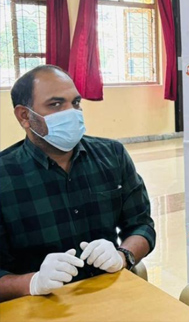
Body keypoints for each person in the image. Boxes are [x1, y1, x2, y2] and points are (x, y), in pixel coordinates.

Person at [0, 65, 155, 302]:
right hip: (36, 305)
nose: (71, 112)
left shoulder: (112, 155)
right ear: (24, 116)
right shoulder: (4, 175)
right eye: (55, 104)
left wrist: (122, 256)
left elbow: (142, 225)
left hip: (110, 296)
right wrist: (32, 282)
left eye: (75, 103)